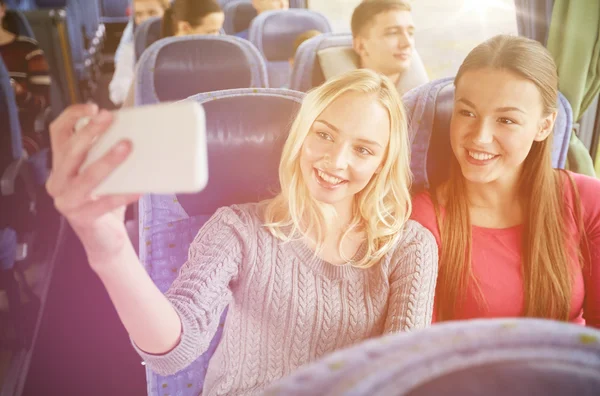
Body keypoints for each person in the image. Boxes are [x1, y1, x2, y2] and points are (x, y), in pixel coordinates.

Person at [45, 69, 438, 395]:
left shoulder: (410, 247)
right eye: (324, 134)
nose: (336, 160)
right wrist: (111, 252)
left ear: (382, 165)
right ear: (300, 135)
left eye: (364, 150)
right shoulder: (238, 229)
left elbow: (402, 377)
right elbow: (172, 353)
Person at [410, 35, 600, 327]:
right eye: (467, 113)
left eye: (506, 120)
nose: (480, 137)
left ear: (544, 125)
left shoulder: (587, 200)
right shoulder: (422, 219)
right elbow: (421, 346)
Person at [0, 0, 50, 155]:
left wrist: (17, 91)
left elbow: (42, 103)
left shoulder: (28, 49)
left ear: (2, 10)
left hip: (20, 131)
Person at [350, 0, 427, 94]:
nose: (407, 43)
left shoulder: (429, 100)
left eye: (410, 33)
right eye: (393, 33)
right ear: (361, 46)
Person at [109, 0, 170, 107]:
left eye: (152, 13)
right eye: (139, 14)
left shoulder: (179, 41)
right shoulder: (132, 48)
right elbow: (117, 92)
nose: (145, 19)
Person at [160, 0, 224, 38]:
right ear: (185, 27)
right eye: (210, 32)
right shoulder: (164, 57)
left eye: (218, 31)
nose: (217, 36)